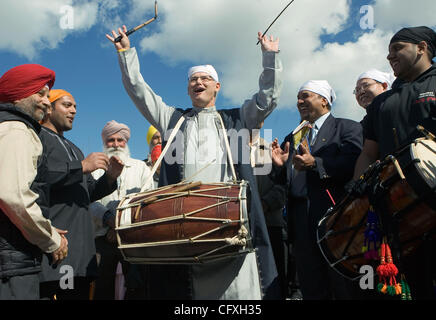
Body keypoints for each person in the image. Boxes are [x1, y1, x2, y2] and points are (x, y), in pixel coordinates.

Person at [107, 26, 282, 299]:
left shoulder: (237, 119)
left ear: (217, 86)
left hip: (231, 228)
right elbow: (139, 92)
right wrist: (126, 53)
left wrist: (270, 58)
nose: (198, 82)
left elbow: (267, 99)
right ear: (188, 88)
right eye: (193, 79)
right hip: (185, 231)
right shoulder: (173, 120)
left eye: (205, 78)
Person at [353, 26, 436, 300]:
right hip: (401, 211)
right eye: (388, 52)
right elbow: (368, 152)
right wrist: (359, 188)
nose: (390, 57)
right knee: (416, 286)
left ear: (422, 47)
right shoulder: (382, 103)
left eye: (397, 48)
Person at [271, 80, 363, 299]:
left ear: (324, 100)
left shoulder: (347, 127)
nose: (299, 101)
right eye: (298, 98)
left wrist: (316, 163)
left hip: (334, 217)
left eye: (305, 96)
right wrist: (280, 167)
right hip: (299, 220)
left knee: (341, 285)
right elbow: (288, 179)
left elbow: (354, 164)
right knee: (311, 285)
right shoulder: (294, 135)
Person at [38, 89, 123, 300]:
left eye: (75, 106)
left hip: (82, 251)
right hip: (56, 246)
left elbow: (90, 192)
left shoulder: (75, 149)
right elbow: (39, 178)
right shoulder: (37, 138)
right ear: (48, 108)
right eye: (67, 105)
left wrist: (110, 177)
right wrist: (82, 166)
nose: (73, 110)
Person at [0, 64, 68, 300]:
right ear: (18, 95)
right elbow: (13, 195)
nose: (47, 102)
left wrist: (41, 226)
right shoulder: (16, 129)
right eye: (40, 93)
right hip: (11, 264)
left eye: (48, 96)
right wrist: (51, 238)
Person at [90, 120, 153, 300]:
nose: (116, 144)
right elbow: (90, 200)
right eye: (111, 140)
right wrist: (109, 220)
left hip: (132, 238)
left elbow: (146, 199)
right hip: (102, 238)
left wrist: (121, 226)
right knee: (102, 289)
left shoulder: (141, 168)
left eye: (120, 140)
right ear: (104, 142)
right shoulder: (95, 167)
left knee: (136, 288)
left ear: (126, 142)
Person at [249, 122, 288, 299]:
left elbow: (283, 186)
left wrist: (264, 204)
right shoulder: (229, 149)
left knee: (274, 281)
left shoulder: (271, 149)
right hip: (242, 228)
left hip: (271, 224)